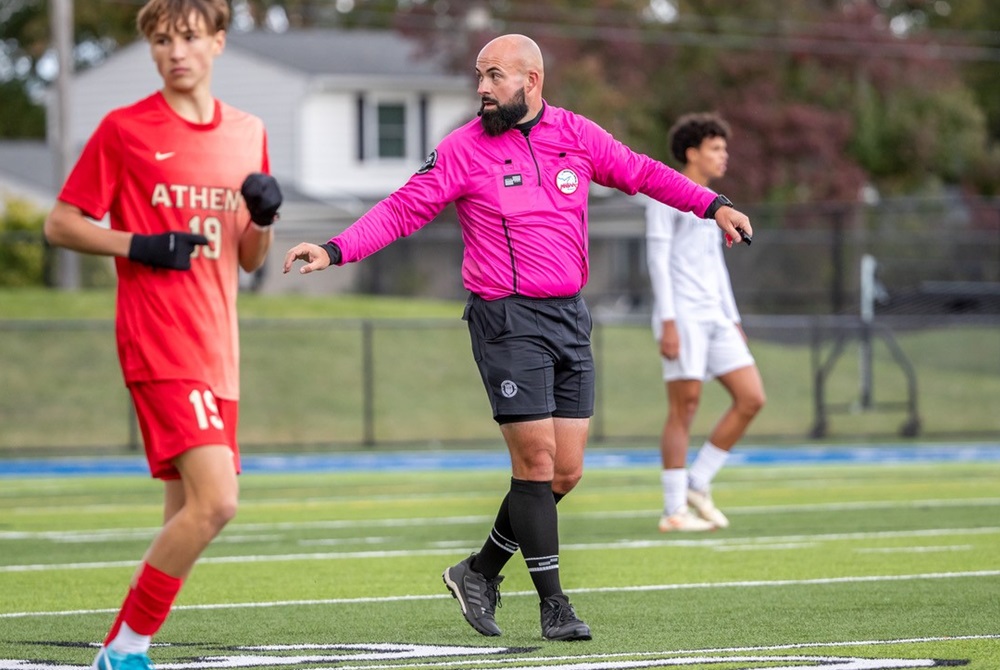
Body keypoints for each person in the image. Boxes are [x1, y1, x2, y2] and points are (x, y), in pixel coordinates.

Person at [283, 35, 751, 641]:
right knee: (535, 461)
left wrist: (712, 205)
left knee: (565, 472)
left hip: (568, 318)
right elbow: (403, 208)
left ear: (531, 81)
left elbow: (643, 173)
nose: (481, 87)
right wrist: (334, 248)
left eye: (494, 76)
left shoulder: (577, 135)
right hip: (505, 320)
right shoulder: (461, 150)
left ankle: (477, 572)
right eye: (479, 75)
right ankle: (554, 605)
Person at [43, 0, 282, 668]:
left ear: (218, 43)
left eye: (188, 37)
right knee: (218, 501)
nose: (175, 51)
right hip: (159, 341)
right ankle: (125, 648)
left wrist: (263, 217)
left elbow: (250, 257)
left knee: (186, 516)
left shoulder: (248, 131)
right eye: (162, 40)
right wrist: (138, 244)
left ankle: (124, 648)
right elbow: (61, 223)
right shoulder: (125, 130)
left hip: (219, 351)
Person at [644, 112, 765, 533]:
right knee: (685, 406)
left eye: (724, 148)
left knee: (751, 397)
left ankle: (699, 482)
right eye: (716, 148)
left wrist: (732, 319)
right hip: (683, 317)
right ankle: (674, 510)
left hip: (715, 318)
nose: (723, 156)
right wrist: (669, 321)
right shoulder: (665, 196)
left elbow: (716, 268)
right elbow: (658, 261)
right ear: (692, 152)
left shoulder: (717, 202)